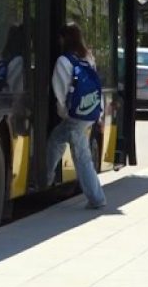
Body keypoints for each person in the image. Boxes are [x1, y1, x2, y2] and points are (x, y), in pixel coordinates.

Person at [46, 23, 107, 209]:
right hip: (90, 112)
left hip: (75, 115)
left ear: (64, 39)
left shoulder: (63, 61)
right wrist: (99, 113)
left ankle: (97, 198)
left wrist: (65, 113)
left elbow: (60, 91)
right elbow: (96, 86)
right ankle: (45, 178)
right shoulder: (87, 58)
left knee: (81, 156)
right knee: (56, 140)